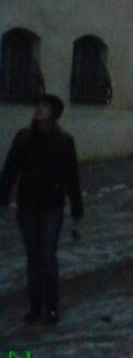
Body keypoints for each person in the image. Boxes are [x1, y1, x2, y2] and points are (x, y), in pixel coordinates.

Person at [0, 94, 84, 324]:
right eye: (37, 105)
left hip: (52, 206)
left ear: (53, 114)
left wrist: (77, 210)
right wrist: (3, 200)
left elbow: (72, 178)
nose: (39, 109)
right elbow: (10, 170)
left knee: (47, 254)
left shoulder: (64, 141)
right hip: (27, 204)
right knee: (33, 256)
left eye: (44, 106)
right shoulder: (23, 138)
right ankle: (35, 307)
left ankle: (52, 307)